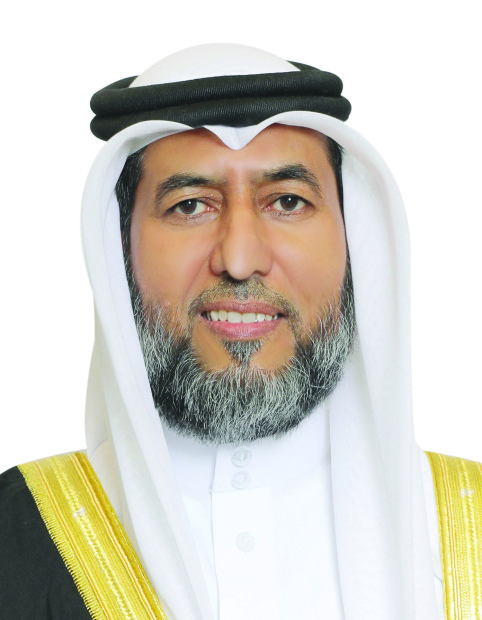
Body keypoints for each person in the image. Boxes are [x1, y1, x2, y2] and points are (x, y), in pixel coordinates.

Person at [0, 43, 479, 620]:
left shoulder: (468, 532)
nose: (240, 258)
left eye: (287, 201)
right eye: (190, 206)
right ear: (118, 249)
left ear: (354, 238)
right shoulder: (15, 537)